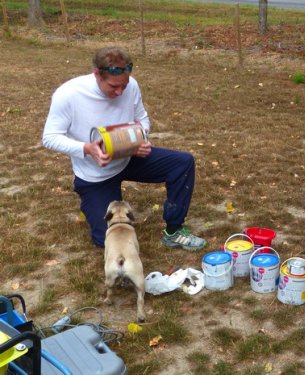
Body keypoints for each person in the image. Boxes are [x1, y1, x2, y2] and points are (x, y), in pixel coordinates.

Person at [42, 46, 207, 251]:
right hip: (96, 174)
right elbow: (49, 138)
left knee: (182, 163)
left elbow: (142, 119)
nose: (120, 92)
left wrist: (139, 140)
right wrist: (87, 148)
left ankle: (174, 230)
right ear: (97, 74)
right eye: (113, 86)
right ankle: (92, 203)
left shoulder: (131, 86)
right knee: (106, 241)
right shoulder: (68, 94)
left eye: (124, 85)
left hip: (130, 158)